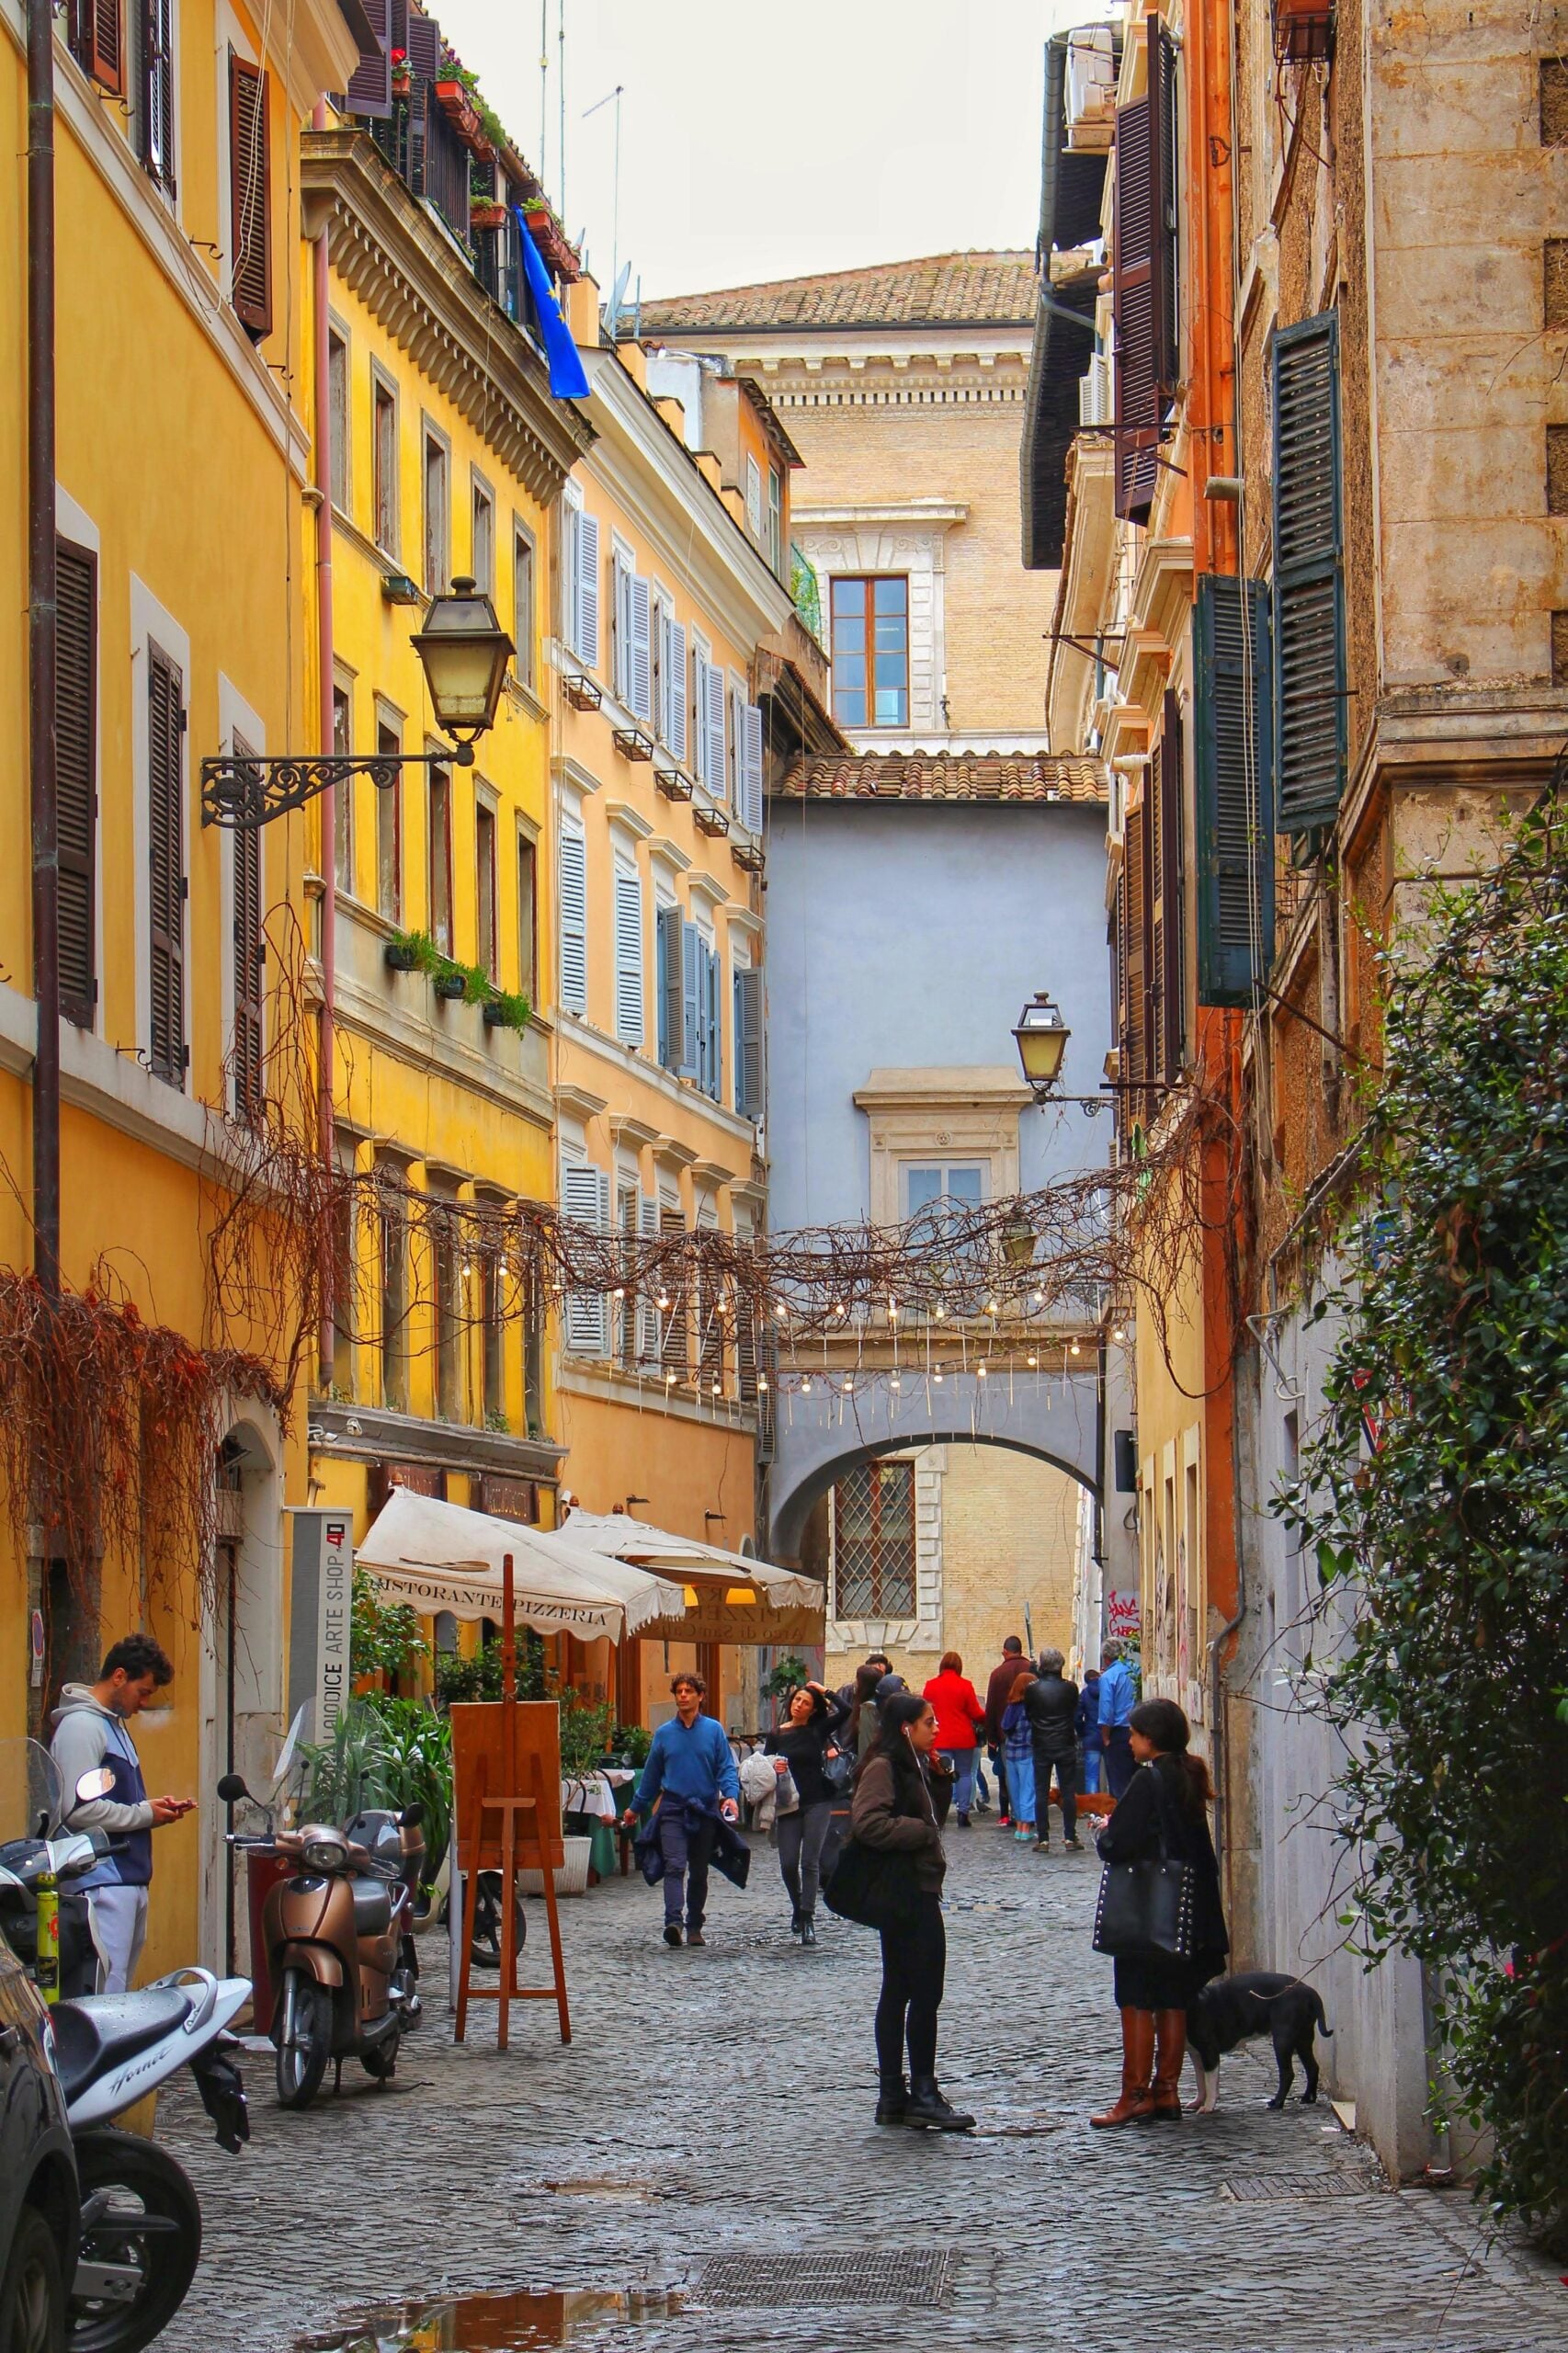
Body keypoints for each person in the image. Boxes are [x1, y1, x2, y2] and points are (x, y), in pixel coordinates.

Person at [1089, 1697, 1229, 2126]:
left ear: (1151, 1738)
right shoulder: (1187, 1774)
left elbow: (1119, 1844)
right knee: (1172, 1998)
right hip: (1183, 1912)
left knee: (1134, 1997)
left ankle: (1135, 2093)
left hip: (1147, 1909)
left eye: (1133, 1734)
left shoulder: (1148, 1781)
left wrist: (1104, 1832)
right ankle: (1166, 2090)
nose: (1129, 1741)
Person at [851, 1689, 973, 2131]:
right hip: (906, 1892)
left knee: (903, 1989)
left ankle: (895, 2095)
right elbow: (868, 1823)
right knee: (921, 1992)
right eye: (929, 1722)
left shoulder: (913, 1765)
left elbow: (929, 1822)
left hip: (913, 1888)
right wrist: (918, 1830)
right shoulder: (883, 1767)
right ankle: (919, 2092)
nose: (936, 1728)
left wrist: (938, 1783)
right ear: (906, 1728)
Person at [51, 1634, 194, 1995]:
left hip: (125, 1876)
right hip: (100, 1879)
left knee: (117, 1992)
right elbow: (77, 1809)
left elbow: (114, 1799)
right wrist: (145, 1815)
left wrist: (150, 1810)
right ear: (118, 1677)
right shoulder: (83, 1727)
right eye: (142, 1692)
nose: (144, 1702)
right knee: (105, 1995)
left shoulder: (112, 1723)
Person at [623, 1673, 740, 1947]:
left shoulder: (713, 1730)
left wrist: (731, 1796)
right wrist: (635, 1809)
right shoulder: (664, 1734)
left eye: (689, 1691)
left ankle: (695, 1925)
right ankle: (673, 1921)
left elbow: (725, 1768)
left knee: (699, 1870)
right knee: (674, 1866)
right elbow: (651, 1777)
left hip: (705, 1809)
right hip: (673, 1808)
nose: (683, 1695)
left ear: (700, 1696)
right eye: (679, 1691)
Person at [763, 1679, 849, 1946]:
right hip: (789, 1805)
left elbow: (846, 1711)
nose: (799, 1705)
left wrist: (825, 1692)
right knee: (788, 1864)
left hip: (818, 1802)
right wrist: (772, 1768)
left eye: (805, 1703)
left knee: (810, 1862)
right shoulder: (777, 1734)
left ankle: (808, 1918)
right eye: (796, 1700)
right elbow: (764, 1765)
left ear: (813, 1710)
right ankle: (798, 1905)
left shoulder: (817, 1729)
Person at [1024, 1648, 1082, 1853]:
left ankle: (1043, 1838)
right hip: (1065, 1741)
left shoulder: (1032, 1689)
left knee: (1040, 1791)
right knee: (1068, 1791)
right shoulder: (1070, 1688)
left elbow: (1029, 1713)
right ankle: (1069, 1836)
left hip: (1042, 1742)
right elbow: (1074, 1711)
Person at [923, 1652, 985, 1826]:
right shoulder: (965, 1685)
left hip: (939, 1736)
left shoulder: (931, 1686)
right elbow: (976, 1712)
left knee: (941, 1776)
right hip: (963, 1737)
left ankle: (940, 1812)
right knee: (965, 1774)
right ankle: (963, 1812)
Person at [983, 1635, 1030, 1826]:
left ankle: (1016, 1816)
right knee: (1029, 1777)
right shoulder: (1031, 1669)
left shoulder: (997, 1674)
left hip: (1006, 1734)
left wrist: (992, 1738)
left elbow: (992, 1707)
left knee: (1011, 1778)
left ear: (1005, 1651)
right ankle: (1029, 1817)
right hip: (1032, 1733)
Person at [1000, 1668, 1038, 1844]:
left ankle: (1018, 1828)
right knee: (1027, 1791)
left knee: (1015, 1791)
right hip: (1027, 1753)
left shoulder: (1010, 1708)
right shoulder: (1029, 1709)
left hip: (1011, 1754)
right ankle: (1026, 1828)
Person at [1097, 1640, 1138, 1800]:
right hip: (1138, 1730)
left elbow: (1107, 1711)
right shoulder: (1136, 1670)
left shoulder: (1108, 1677)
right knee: (1135, 1780)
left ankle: (1122, 1820)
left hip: (1119, 1733)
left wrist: (1106, 1738)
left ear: (1106, 1658)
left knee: (1118, 1783)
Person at [1076, 1667, 1103, 1794]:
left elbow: (1077, 1717)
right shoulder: (1108, 1689)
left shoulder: (1085, 1694)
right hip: (1110, 1736)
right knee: (1113, 1774)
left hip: (1091, 1737)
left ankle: (1093, 1810)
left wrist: (1082, 1732)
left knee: (1092, 1776)